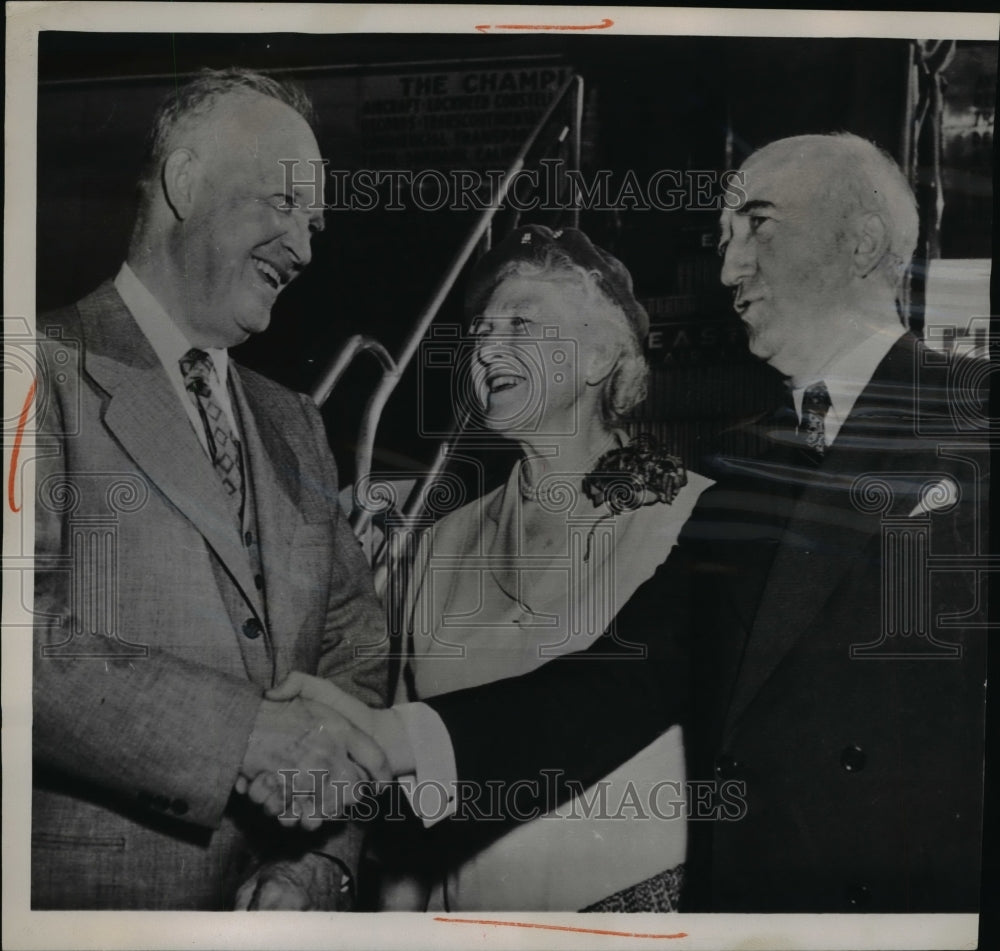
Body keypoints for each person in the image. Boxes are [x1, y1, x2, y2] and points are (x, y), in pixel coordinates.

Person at [270, 133, 988, 913]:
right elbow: (619, 685)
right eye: (722, 239)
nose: (729, 269)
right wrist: (397, 739)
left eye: (758, 225)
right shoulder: (745, 466)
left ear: (861, 242)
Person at [32, 68, 390, 911]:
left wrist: (319, 865)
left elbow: (357, 653)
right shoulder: (35, 369)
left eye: (313, 223)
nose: (304, 248)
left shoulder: (296, 422)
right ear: (185, 182)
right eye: (283, 203)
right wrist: (245, 735)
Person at [377, 225, 711, 912]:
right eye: (480, 332)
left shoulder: (690, 518)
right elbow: (407, 797)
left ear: (597, 356)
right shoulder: (436, 545)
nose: (485, 349)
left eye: (521, 325)